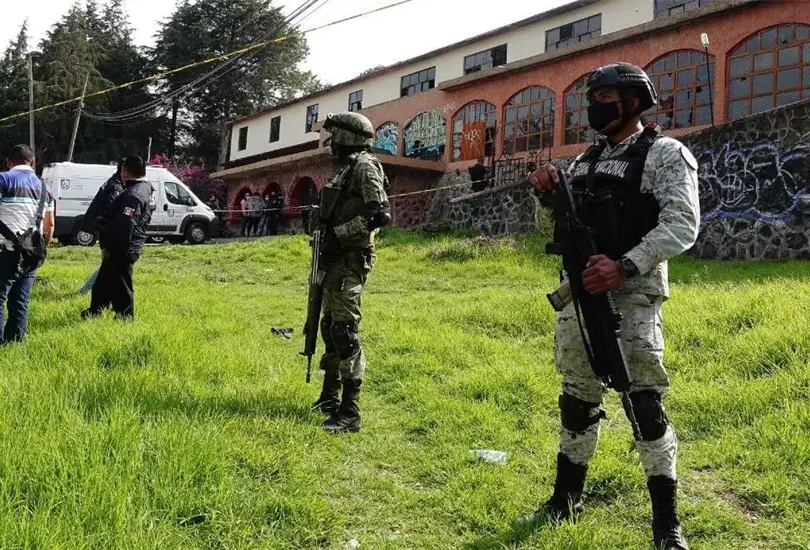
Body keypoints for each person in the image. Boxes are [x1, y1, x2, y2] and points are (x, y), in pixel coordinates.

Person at [520, 63, 700, 550]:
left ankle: (667, 524)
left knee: (644, 402)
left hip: (632, 296)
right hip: (579, 299)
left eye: (605, 96)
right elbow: (548, 233)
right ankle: (565, 498)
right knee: (577, 397)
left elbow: (683, 225)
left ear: (634, 101)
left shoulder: (665, 154)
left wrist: (624, 265)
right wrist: (545, 197)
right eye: (592, 96)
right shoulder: (581, 163)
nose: (594, 105)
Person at [311, 112, 390, 434]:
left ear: (348, 137)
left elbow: (380, 214)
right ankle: (329, 397)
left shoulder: (364, 167)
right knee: (329, 327)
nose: (330, 142)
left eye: (334, 136)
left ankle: (350, 413)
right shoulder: (346, 168)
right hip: (332, 260)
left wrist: (340, 235)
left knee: (344, 332)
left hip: (349, 260)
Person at [81, 156, 153, 321]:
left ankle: (125, 317)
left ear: (125, 172)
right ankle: (95, 310)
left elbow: (124, 226)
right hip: (126, 244)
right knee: (104, 281)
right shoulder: (144, 189)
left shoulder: (132, 195)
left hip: (123, 247)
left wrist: (109, 247)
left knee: (121, 283)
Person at [0, 145, 54, 343]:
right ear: (32, 162)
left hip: (5, 250)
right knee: (20, 301)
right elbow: (50, 225)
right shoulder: (46, 188)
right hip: (32, 252)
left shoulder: (3, 179)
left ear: (8, 162)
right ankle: (14, 343)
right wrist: (42, 251)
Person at [79, 159, 126, 294]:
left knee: (108, 265)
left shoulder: (114, 183)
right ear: (123, 171)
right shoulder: (115, 187)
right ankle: (86, 290)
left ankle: (96, 291)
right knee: (108, 265)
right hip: (105, 230)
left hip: (101, 228)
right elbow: (110, 214)